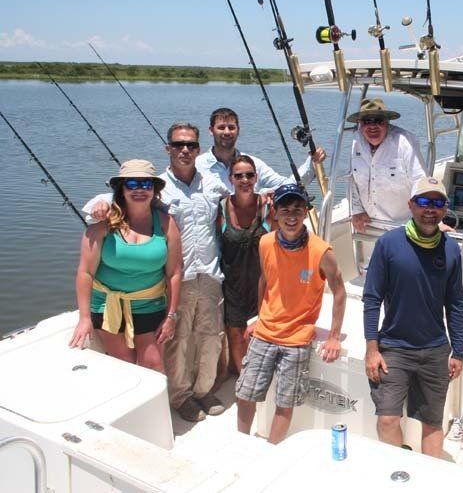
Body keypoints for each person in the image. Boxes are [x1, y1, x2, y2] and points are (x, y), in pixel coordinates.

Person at [83, 122, 229, 422]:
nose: (184, 150)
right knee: (177, 342)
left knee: (211, 336)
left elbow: (245, 188)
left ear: (199, 150)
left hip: (211, 274)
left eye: (190, 145)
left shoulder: (214, 182)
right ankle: (181, 396)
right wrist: (97, 205)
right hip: (178, 279)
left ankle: (204, 390)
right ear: (168, 149)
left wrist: (263, 199)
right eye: (178, 145)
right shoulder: (156, 185)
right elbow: (115, 202)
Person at [363, 177, 463, 459]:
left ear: (444, 209)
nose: (429, 209)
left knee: (433, 424)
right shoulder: (388, 244)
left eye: (437, 203)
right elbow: (371, 298)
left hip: (435, 349)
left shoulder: (451, 249)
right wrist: (372, 348)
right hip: (394, 347)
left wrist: (459, 350)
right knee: (387, 420)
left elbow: (455, 303)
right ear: (411, 205)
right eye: (423, 202)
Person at [235, 183, 346, 443]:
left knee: (285, 402)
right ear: (274, 212)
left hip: (298, 338)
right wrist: (259, 317)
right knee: (245, 393)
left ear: (306, 212)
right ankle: (240, 444)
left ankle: (273, 449)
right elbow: (265, 280)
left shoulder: (322, 251)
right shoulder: (264, 243)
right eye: (285, 209)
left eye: (298, 209)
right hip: (265, 333)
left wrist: (333, 336)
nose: (291, 216)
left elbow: (339, 291)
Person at [70, 160, 182, 374]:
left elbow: (174, 274)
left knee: (154, 364)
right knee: (123, 364)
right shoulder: (102, 225)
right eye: (131, 183)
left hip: (149, 305)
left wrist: (171, 316)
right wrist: (84, 318)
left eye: (146, 184)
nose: (139, 189)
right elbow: (85, 273)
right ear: (121, 188)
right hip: (106, 306)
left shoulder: (167, 224)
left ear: (154, 190)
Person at [217, 155, 271, 376]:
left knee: (260, 336)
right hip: (232, 285)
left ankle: (257, 380)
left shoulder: (268, 206)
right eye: (239, 175)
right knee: (237, 336)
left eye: (249, 175)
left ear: (256, 177)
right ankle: (243, 381)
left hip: (262, 283)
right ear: (231, 179)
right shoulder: (221, 208)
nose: (245, 180)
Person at [196, 107, 326, 193]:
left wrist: (312, 162)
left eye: (231, 127)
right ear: (211, 130)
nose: (226, 132)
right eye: (221, 127)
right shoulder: (197, 165)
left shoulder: (254, 164)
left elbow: (288, 186)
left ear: (238, 130)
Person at [348, 98, 427, 232]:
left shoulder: (404, 142)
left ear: (387, 122)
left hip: (404, 228)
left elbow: (421, 184)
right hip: (370, 225)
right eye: (367, 121)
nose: (372, 126)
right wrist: (356, 210)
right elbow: (352, 180)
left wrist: (427, 221)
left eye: (378, 120)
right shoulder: (356, 143)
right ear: (360, 124)